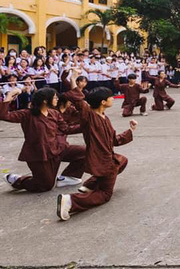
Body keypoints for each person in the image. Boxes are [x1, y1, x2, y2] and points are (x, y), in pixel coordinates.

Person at [57, 73, 138, 221]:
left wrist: (130, 131)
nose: (112, 99)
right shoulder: (89, 116)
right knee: (105, 195)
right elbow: (79, 100)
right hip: (103, 161)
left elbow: (114, 140)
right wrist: (73, 79)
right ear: (103, 102)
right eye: (110, 97)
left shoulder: (105, 118)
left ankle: (90, 185)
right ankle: (71, 201)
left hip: (107, 158)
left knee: (123, 160)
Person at [2, 88, 85, 192]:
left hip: (57, 149)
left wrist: (85, 126)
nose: (57, 99)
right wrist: (9, 96)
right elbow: (4, 115)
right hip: (39, 154)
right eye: (55, 97)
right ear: (45, 100)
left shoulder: (54, 113)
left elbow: (66, 129)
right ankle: (17, 180)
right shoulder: (27, 114)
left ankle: (68, 177)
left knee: (85, 152)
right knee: (45, 186)